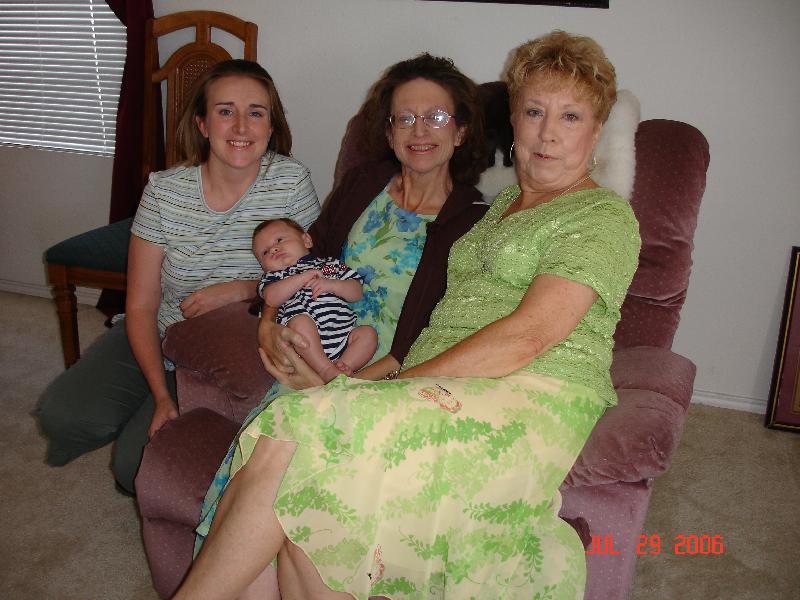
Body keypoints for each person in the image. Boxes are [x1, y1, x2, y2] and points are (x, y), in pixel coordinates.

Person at [177, 31, 640, 600]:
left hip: (531, 389)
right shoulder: (501, 208)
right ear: (513, 122)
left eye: (570, 117)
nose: (547, 133)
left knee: (299, 430)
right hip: (445, 384)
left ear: (596, 130)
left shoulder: (601, 214)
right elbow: (318, 266)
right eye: (534, 112)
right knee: (313, 505)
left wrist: (395, 385)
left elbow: (530, 336)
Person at [181, 51, 489, 595]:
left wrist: (343, 386)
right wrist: (268, 321)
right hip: (313, 348)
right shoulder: (364, 182)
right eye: (404, 118)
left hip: (386, 379)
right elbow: (306, 257)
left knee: (285, 477)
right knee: (258, 506)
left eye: (437, 117)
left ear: (461, 131)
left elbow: (438, 336)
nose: (419, 131)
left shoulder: (472, 218)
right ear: (388, 131)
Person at [36, 60, 320, 495]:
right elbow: (141, 304)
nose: (241, 126)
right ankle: (148, 400)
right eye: (225, 111)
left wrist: (242, 290)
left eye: (255, 112)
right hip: (162, 326)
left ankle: (149, 428)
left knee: (134, 466)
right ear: (202, 124)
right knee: (63, 416)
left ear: (271, 125)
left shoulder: (291, 182)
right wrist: (161, 396)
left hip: (229, 347)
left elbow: (311, 274)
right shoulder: (164, 191)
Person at [253, 218, 377, 382]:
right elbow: (271, 299)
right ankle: (325, 370)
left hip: (343, 335)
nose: (273, 249)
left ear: (306, 240)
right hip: (304, 348)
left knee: (368, 334)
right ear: (263, 266)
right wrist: (303, 278)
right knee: (300, 322)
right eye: (265, 252)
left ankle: (342, 368)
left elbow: (357, 292)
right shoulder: (274, 278)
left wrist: (333, 285)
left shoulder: (329, 265)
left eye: (279, 240)